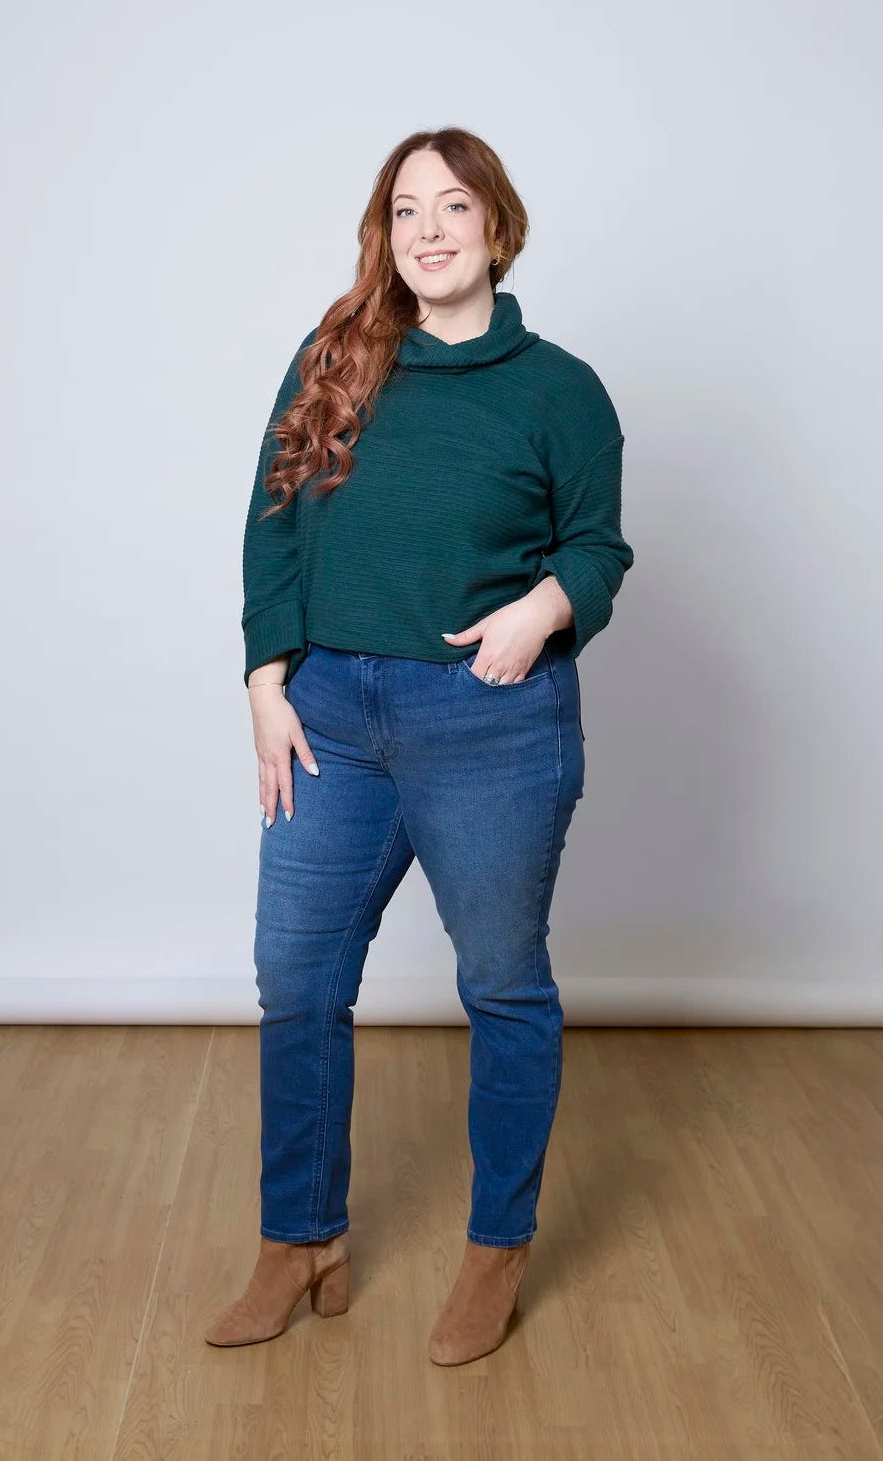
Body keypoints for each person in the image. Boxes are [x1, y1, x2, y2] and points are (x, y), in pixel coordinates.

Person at [204, 127, 634, 1366]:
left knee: (500, 985)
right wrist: (264, 679)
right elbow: (272, 519)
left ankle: (495, 1252)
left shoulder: (560, 390)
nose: (429, 231)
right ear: (383, 235)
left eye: (454, 207)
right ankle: (302, 1244)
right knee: (297, 983)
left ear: (499, 227)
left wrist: (543, 611)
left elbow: (596, 548)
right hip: (329, 715)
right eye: (405, 211)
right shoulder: (336, 355)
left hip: (489, 723)